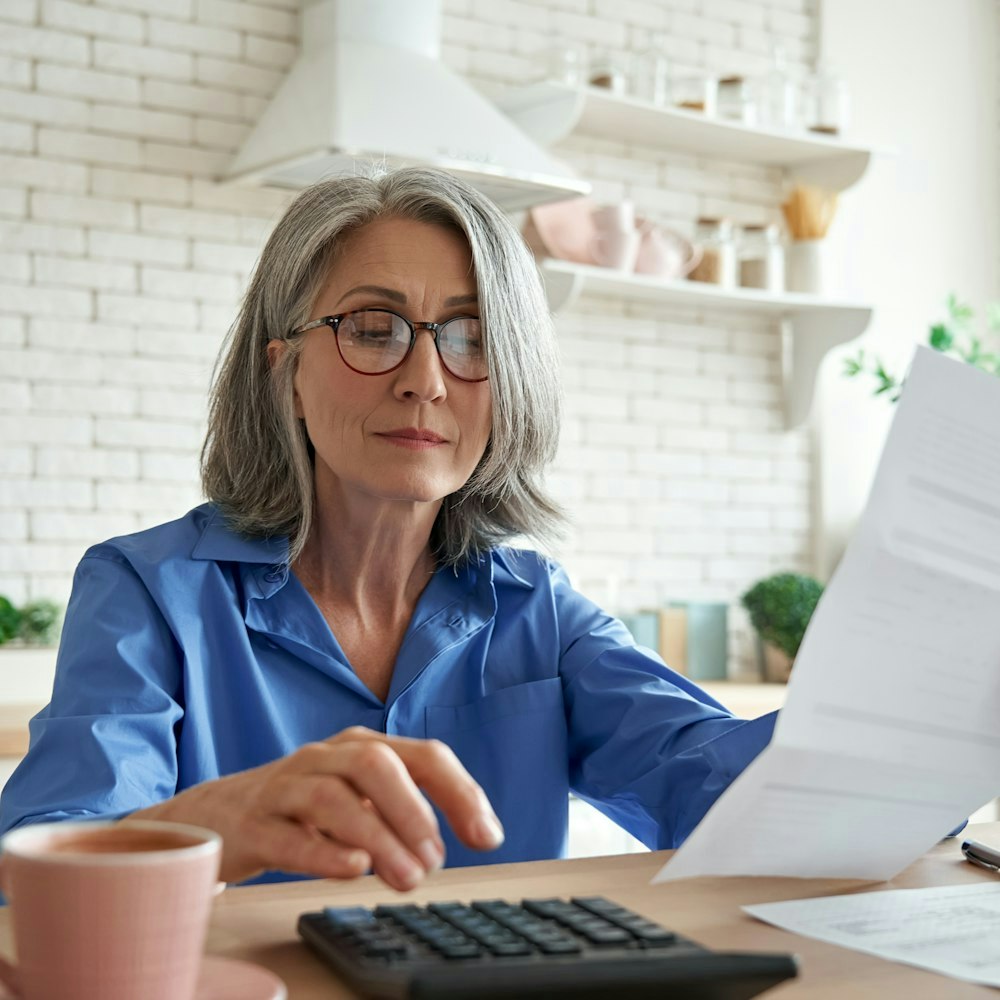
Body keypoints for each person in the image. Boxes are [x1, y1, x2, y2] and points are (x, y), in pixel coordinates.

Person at [0, 167, 777, 890]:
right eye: (374, 329)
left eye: (472, 337)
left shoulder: (539, 610)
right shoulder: (150, 593)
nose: (425, 381)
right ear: (285, 375)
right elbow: (35, 875)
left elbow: (726, 789)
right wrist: (211, 823)